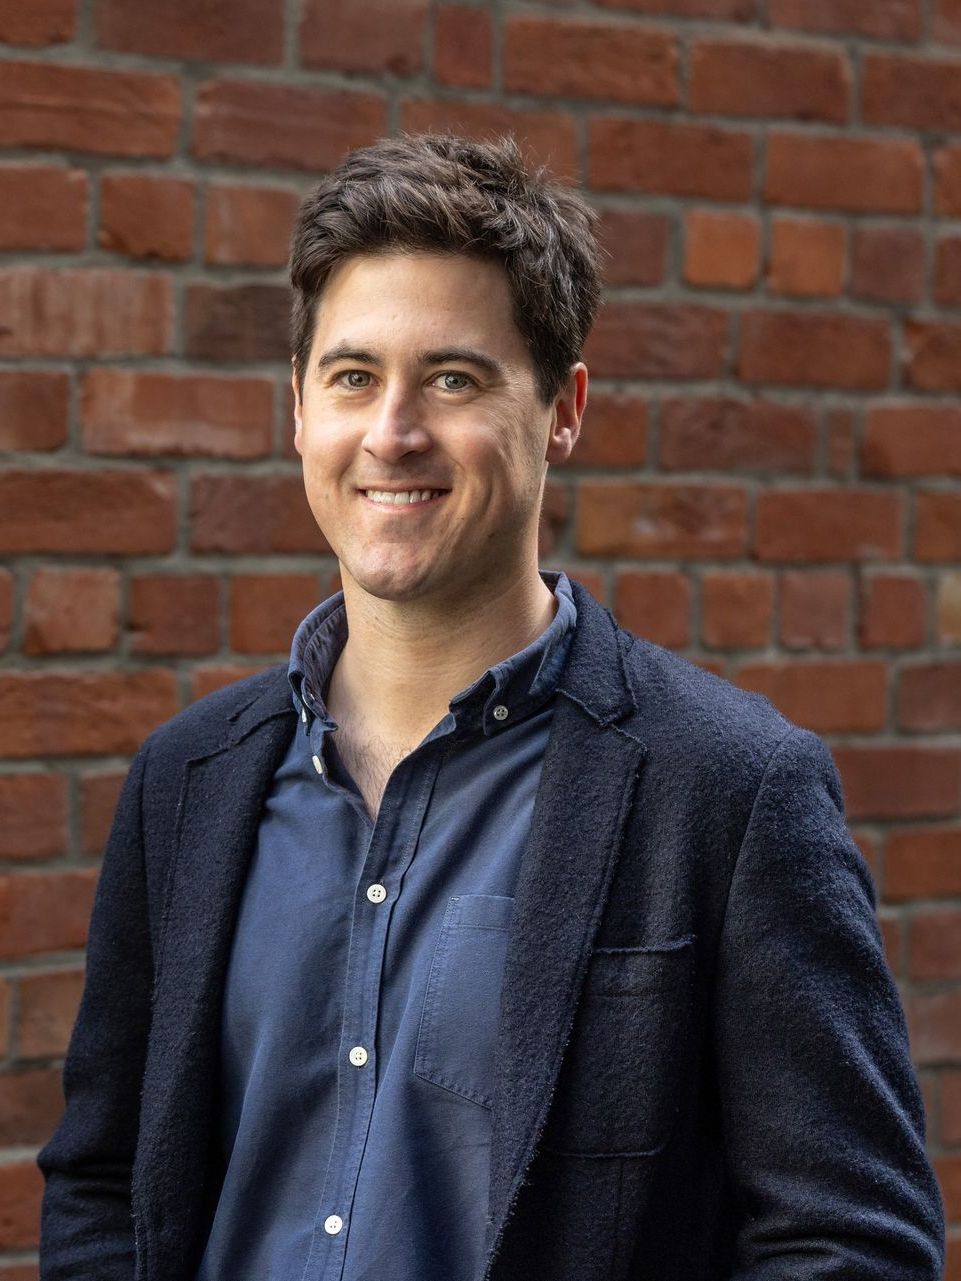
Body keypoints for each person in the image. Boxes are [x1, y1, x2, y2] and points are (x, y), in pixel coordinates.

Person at [38, 132, 943, 1281]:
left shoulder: (727, 790)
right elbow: (108, 1190)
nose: (392, 432)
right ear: (299, 410)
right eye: (353, 376)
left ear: (562, 409)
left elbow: (848, 1246)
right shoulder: (189, 781)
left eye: (452, 379)